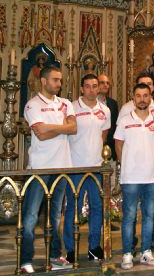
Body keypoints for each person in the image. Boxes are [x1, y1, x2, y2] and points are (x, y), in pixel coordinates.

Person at [21, 66, 76, 274]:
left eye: (60, 80)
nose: (59, 84)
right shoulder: (32, 105)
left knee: (54, 216)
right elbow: (40, 134)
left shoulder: (66, 103)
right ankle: (26, 260)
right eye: (55, 80)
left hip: (61, 166)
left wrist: (53, 128)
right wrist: (62, 128)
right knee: (31, 216)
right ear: (43, 81)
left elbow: (74, 128)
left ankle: (55, 255)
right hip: (39, 168)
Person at [118, 73, 154, 251]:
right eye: (138, 95)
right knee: (130, 214)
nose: (142, 99)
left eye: (146, 94)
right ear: (134, 96)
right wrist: (126, 162)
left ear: (151, 93)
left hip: (153, 169)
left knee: (152, 211)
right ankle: (128, 248)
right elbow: (119, 143)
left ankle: (150, 245)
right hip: (131, 172)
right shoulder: (125, 113)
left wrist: (148, 156)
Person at [64, 74, 110, 264]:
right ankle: (70, 249)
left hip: (97, 166)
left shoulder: (105, 110)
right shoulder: (72, 108)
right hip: (75, 165)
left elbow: (103, 136)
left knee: (97, 207)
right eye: (88, 86)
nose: (92, 89)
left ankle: (93, 247)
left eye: (95, 86)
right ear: (81, 89)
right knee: (72, 209)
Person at [97, 74, 119, 160]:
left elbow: (114, 126)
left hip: (110, 146)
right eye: (102, 83)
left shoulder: (113, 103)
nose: (105, 85)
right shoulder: (91, 103)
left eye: (107, 83)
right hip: (95, 143)